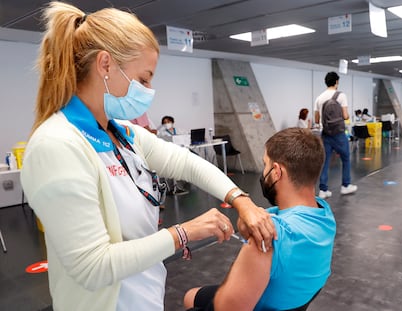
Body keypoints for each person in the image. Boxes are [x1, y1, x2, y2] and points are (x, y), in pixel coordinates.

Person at [20, 2, 275, 311]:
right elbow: (92, 266)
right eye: (143, 79)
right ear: (105, 65)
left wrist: (241, 200)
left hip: (145, 295)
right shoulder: (58, 145)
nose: (149, 90)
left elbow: (184, 162)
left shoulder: (123, 134)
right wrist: (183, 232)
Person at [183, 128, 336, 311]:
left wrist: (246, 256)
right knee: (191, 296)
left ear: (277, 171)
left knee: (191, 301)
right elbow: (261, 217)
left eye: (265, 165)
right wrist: (244, 219)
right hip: (292, 302)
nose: (264, 172)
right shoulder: (324, 214)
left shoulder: (267, 237)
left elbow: (225, 307)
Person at [314, 71, 357, 199]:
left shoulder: (319, 98)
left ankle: (323, 190)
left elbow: (316, 119)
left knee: (325, 161)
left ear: (326, 82)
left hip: (326, 134)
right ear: (336, 82)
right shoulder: (341, 95)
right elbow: (345, 115)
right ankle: (345, 185)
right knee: (345, 158)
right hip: (338, 133)